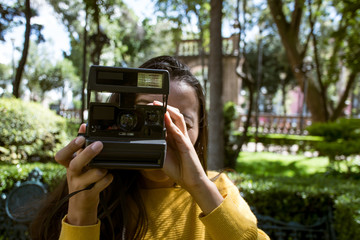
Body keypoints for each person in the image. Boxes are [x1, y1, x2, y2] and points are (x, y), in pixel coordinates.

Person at [30, 56, 269, 240]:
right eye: (147, 116)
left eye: (180, 124)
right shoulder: (92, 189)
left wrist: (199, 188)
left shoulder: (220, 192)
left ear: (200, 131)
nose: (163, 134)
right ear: (117, 118)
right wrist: (81, 211)